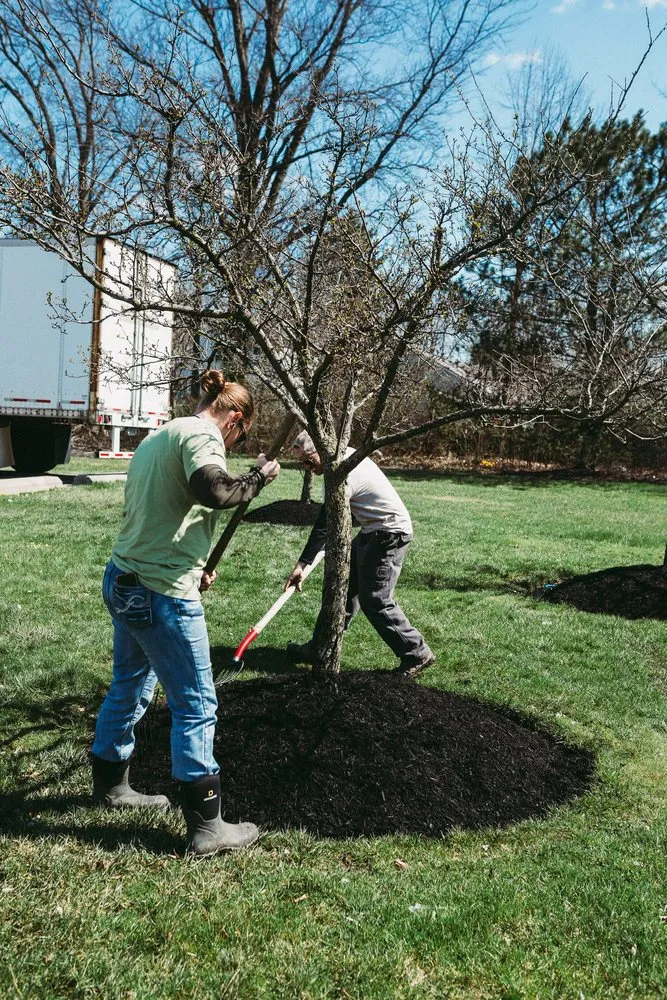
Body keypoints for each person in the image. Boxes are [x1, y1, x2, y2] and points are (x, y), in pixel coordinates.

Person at [91, 370, 280, 857]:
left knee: (130, 683)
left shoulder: (164, 433)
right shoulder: (202, 435)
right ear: (234, 419)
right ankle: (207, 828)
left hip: (125, 576)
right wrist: (258, 477)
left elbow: (170, 506)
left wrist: (195, 563)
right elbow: (213, 490)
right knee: (196, 702)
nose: (234, 444)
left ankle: (111, 786)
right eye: (240, 435)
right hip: (162, 592)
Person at [285, 431, 435, 676]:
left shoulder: (344, 471)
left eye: (308, 461)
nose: (307, 468)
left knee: (375, 599)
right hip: (373, 530)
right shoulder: (340, 461)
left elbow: (326, 522)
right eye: (302, 463)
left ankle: (416, 653)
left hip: (389, 534)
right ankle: (320, 647)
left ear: (321, 450)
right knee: (342, 590)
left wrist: (303, 564)